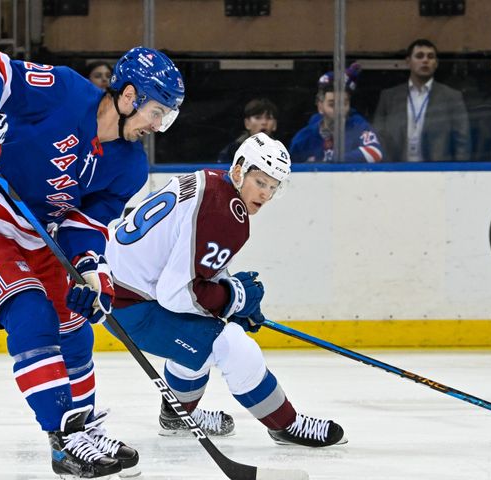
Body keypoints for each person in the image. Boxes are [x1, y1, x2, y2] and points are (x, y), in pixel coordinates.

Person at [0, 47, 185, 480]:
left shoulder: (129, 165)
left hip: (36, 235)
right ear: (129, 96)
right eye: (156, 112)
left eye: (166, 118)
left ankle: (83, 428)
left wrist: (91, 271)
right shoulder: (66, 91)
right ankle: (64, 441)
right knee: (31, 315)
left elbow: (84, 224)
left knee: (75, 324)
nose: (157, 126)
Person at [106, 132, 347, 448]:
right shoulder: (226, 213)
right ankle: (286, 425)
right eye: (260, 182)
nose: (266, 194)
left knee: (199, 334)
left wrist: (231, 303)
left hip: (113, 288)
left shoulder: (210, 182)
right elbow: (177, 293)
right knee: (232, 344)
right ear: (239, 170)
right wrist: (232, 300)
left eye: (273, 187)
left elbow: (193, 266)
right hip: (130, 304)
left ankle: (178, 415)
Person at [372, 39, 471, 162]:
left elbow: (462, 140)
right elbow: (377, 137)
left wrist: (459, 174)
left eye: (430, 57)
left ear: (436, 63)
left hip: (438, 172)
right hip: (396, 171)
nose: (425, 60)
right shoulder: (389, 97)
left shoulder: (451, 97)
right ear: (408, 62)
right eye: (419, 56)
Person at [289, 63, 383, 163]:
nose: (339, 110)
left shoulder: (359, 127)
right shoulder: (305, 137)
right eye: (332, 104)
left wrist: (328, 162)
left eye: (344, 103)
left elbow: (375, 152)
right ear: (320, 107)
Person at [216, 98, 279, 163]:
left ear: (275, 124)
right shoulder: (232, 150)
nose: (264, 122)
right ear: (247, 123)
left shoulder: (280, 150)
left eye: (268, 118)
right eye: (258, 117)